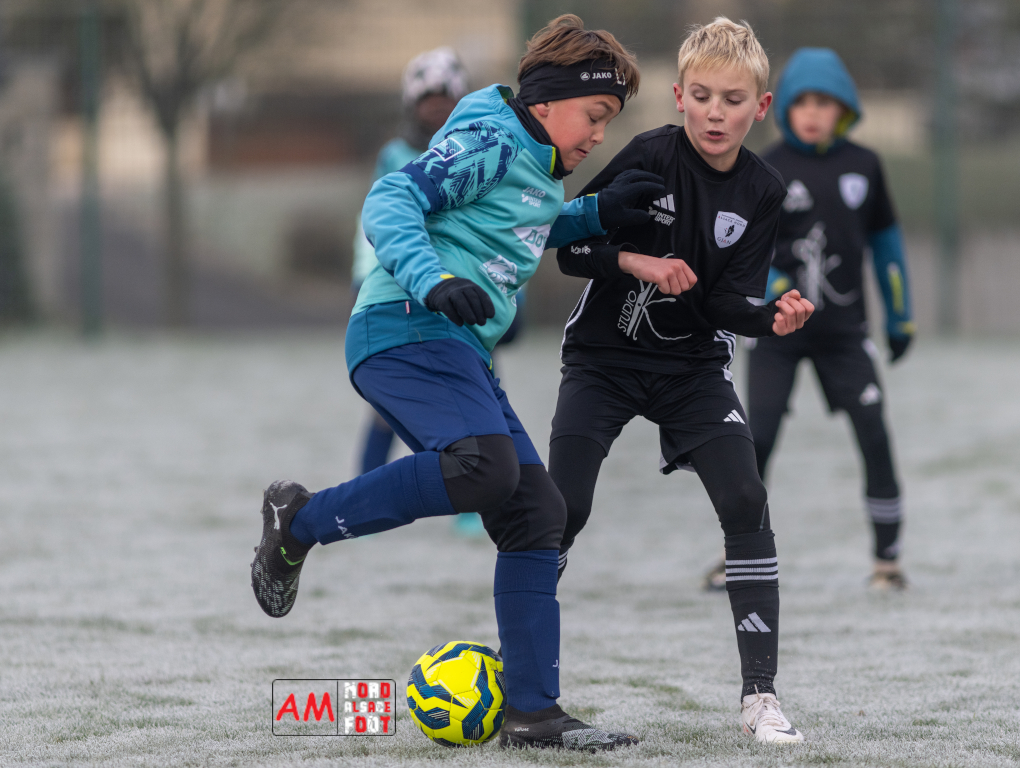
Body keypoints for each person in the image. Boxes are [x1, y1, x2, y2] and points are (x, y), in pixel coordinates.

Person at [250, 15, 664, 750]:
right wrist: (433, 278)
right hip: (403, 324)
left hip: (454, 345)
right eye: (595, 115)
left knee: (536, 511)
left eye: (609, 122)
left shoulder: (533, 159)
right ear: (546, 101)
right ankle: (299, 522)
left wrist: (596, 213)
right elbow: (390, 200)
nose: (600, 135)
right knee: (484, 468)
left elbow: (519, 223)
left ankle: (533, 714)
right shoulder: (492, 140)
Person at [547, 18, 814, 745]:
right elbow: (567, 246)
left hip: (692, 371)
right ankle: (524, 675)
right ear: (679, 97)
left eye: (733, 99)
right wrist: (638, 263)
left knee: (746, 498)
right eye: (702, 96)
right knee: (561, 509)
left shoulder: (762, 190)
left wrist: (771, 318)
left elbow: (729, 303)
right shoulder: (648, 155)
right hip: (602, 361)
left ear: (760, 108)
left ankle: (760, 698)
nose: (715, 112)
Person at [711, 47, 914, 592]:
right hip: (776, 332)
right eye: (802, 102)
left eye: (824, 102)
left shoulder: (865, 166)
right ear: (783, 109)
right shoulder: (764, 167)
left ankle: (888, 560)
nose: (812, 113)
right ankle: (735, 555)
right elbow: (741, 251)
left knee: (874, 433)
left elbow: (888, 247)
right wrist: (773, 289)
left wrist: (901, 317)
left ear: (843, 108)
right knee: (755, 440)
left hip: (845, 334)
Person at [351, 48, 469, 480]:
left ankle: (476, 500)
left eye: (446, 101)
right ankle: (366, 487)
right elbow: (374, 222)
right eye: (428, 101)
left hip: (463, 287)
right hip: (402, 289)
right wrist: (362, 279)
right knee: (387, 407)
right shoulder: (394, 155)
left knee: (479, 388)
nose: (437, 110)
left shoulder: (476, 151)